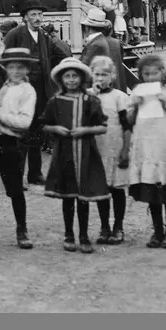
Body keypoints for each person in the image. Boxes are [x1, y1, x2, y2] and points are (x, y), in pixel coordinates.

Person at [41, 58, 109, 254]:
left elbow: (103, 127)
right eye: (67, 76)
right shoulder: (55, 102)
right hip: (65, 153)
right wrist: (55, 128)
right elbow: (43, 125)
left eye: (75, 76)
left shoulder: (91, 101)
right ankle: (69, 234)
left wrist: (85, 130)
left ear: (82, 78)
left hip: (86, 152)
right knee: (68, 196)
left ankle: (84, 235)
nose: (71, 80)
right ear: (61, 80)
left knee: (83, 196)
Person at [2, 0, 70, 184]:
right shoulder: (15, 34)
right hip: (20, 91)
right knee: (20, 134)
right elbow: (3, 60)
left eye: (40, 14)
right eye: (33, 14)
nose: (38, 18)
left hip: (41, 91)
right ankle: (17, 176)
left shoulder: (44, 36)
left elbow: (60, 56)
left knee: (37, 133)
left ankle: (35, 173)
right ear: (25, 17)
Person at [127, 54, 166, 249]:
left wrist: (165, 105)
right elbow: (129, 121)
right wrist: (135, 106)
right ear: (140, 75)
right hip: (146, 148)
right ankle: (157, 230)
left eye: (155, 73)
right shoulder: (137, 92)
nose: (151, 77)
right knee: (152, 189)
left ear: (163, 72)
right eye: (146, 74)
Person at [0, 48, 37, 250]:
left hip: (11, 142)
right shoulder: (3, 86)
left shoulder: (27, 90)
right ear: (5, 69)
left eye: (20, 67)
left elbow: (24, 122)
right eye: (11, 67)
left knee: (15, 189)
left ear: (26, 69)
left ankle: (22, 230)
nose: (15, 71)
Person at [88, 56, 131, 245]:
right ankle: (104, 226)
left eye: (105, 74)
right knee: (101, 190)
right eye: (97, 74)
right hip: (97, 149)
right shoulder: (88, 96)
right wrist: (92, 97)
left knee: (117, 190)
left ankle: (118, 226)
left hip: (115, 147)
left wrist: (125, 151)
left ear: (112, 76)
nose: (100, 78)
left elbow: (127, 126)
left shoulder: (120, 97)